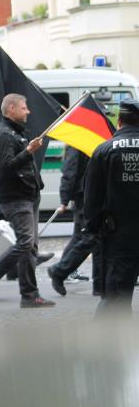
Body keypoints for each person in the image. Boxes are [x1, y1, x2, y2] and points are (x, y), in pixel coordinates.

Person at [0, 94, 55, 308]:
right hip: (16, 197)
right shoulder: (3, 134)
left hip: (29, 194)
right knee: (26, 242)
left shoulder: (15, 132)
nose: (28, 111)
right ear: (11, 109)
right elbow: (6, 167)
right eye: (24, 107)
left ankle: (29, 296)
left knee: (31, 248)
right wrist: (28, 151)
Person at [84, 98, 139, 315]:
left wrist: (93, 227)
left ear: (119, 121)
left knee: (117, 296)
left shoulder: (104, 150)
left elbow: (92, 198)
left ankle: (109, 343)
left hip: (119, 234)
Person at [48, 146, 102, 297]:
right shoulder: (79, 144)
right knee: (94, 237)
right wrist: (64, 199)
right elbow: (70, 171)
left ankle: (98, 285)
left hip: (86, 195)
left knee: (81, 237)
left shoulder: (84, 142)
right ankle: (60, 271)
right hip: (85, 196)